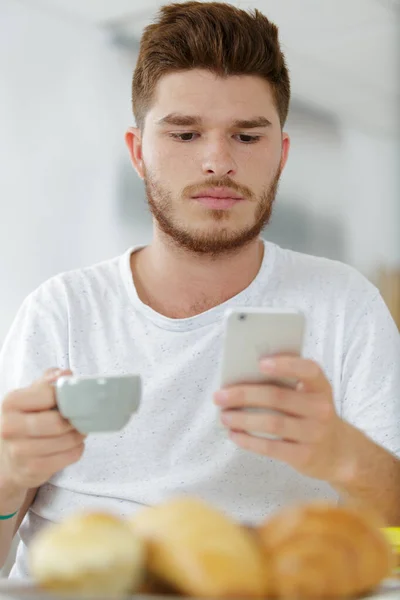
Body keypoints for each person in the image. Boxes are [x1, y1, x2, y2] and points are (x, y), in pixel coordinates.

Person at [0, 0, 399, 580]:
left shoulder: (344, 304)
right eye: (185, 134)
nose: (218, 162)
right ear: (138, 152)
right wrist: (9, 475)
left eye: (247, 135)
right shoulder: (60, 311)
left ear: (281, 155)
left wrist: (345, 457)